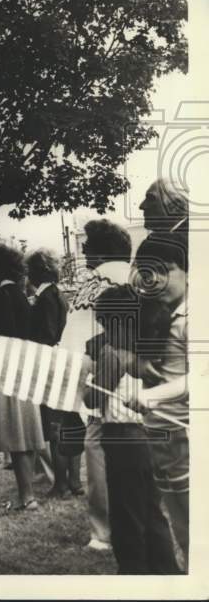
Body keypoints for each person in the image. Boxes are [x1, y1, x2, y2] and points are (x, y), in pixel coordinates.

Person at [89, 285, 174, 573]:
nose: (103, 330)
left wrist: (87, 377)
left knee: (127, 518)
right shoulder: (148, 351)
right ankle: (166, 571)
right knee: (152, 512)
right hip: (148, 436)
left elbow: (93, 397)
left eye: (104, 323)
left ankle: (133, 573)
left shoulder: (113, 354)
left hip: (122, 438)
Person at [61, 218, 132, 551]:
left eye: (88, 244)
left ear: (103, 248)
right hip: (123, 373)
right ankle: (124, 523)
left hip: (105, 373)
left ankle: (104, 532)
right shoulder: (132, 277)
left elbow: (79, 333)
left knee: (98, 448)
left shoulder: (100, 280)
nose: (85, 249)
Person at [126, 234, 189, 574]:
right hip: (161, 438)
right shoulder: (158, 315)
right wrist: (136, 366)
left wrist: (152, 395)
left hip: (189, 438)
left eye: (166, 270)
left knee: (195, 532)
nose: (157, 281)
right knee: (181, 530)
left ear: (187, 271)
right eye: (149, 274)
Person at [0, 242, 46, 511]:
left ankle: (27, 496)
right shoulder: (19, 294)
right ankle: (31, 492)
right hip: (22, 368)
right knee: (24, 433)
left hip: (7, 371)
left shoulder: (2, 295)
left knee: (16, 436)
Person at [26, 248, 81, 499]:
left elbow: (48, 335)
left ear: (37, 272)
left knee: (56, 427)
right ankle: (75, 481)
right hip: (67, 362)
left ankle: (60, 484)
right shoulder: (58, 295)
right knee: (70, 424)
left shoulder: (46, 298)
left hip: (51, 365)